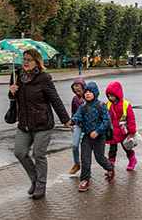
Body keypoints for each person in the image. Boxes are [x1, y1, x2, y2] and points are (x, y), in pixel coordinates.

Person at [8, 49, 71, 199]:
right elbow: (13, 99)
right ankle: (35, 180)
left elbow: (55, 99)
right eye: (24, 59)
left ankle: (41, 185)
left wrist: (65, 119)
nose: (25, 62)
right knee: (20, 152)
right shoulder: (17, 76)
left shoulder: (44, 78)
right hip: (24, 123)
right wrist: (11, 92)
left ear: (37, 61)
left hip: (42, 123)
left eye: (29, 59)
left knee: (38, 154)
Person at [71, 82, 115, 192]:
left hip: (99, 137)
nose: (87, 94)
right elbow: (77, 117)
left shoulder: (101, 106)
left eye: (90, 92)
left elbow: (106, 121)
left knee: (99, 158)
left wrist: (97, 131)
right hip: (86, 136)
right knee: (85, 159)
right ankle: (85, 180)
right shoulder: (83, 107)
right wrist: (69, 121)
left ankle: (109, 167)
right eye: (86, 92)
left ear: (95, 93)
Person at [105, 81, 138, 170]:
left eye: (111, 96)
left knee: (127, 148)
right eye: (108, 96)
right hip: (113, 132)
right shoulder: (108, 105)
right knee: (112, 150)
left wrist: (132, 132)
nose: (110, 98)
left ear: (117, 95)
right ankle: (110, 167)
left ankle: (132, 160)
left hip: (123, 131)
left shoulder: (125, 104)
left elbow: (131, 118)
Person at [69, 77, 86, 175]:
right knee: (75, 145)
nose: (78, 93)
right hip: (79, 124)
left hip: (88, 125)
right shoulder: (75, 99)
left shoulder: (89, 96)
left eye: (80, 91)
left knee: (85, 147)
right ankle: (76, 163)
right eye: (76, 91)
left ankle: (86, 166)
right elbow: (73, 111)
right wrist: (72, 123)